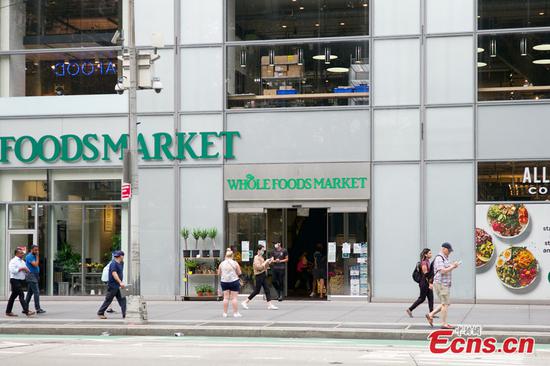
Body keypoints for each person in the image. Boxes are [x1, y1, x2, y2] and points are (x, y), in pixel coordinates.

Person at [426, 242, 460, 329]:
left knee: (445, 303)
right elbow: (442, 271)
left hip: (444, 284)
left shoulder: (445, 258)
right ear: (444, 249)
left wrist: (453, 265)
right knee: (445, 304)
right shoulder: (439, 258)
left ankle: (430, 314)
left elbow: (446, 268)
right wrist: (453, 267)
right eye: (449, 251)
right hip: (441, 284)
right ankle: (444, 323)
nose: (450, 252)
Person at [241, 244, 278, 310]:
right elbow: (259, 267)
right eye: (262, 250)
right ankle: (245, 302)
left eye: (264, 250)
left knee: (267, 289)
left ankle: (269, 305)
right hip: (259, 275)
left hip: (263, 274)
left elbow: (264, 267)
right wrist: (265, 262)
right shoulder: (256, 258)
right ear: (259, 250)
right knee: (257, 291)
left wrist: (269, 262)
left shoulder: (261, 257)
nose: (263, 251)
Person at [97, 250, 126, 319]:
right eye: (122, 255)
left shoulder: (121, 263)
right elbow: (114, 273)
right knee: (108, 300)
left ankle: (125, 314)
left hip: (118, 286)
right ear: (121, 256)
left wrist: (120, 283)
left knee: (123, 299)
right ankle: (100, 312)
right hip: (113, 285)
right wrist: (120, 282)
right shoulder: (113, 263)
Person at [5, 249, 34, 317]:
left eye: (23, 253)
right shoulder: (13, 261)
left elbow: (26, 269)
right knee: (21, 295)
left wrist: (27, 271)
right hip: (14, 280)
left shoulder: (22, 261)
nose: (23, 254)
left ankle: (8, 311)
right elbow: (12, 271)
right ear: (17, 254)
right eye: (21, 253)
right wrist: (22, 269)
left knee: (13, 297)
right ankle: (26, 311)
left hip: (20, 281)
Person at [406, 248, 434, 317]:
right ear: (425, 254)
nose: (431, 254)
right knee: (422, 298)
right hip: (424, 283)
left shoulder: (427, 261)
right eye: (430, 253)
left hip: (426, 282)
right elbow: (426, 274)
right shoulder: (424, 262)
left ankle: (431, 313)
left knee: (431, 297)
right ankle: (410, 309)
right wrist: (430, 283)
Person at [218, 248, 242, 318]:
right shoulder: (235, 263)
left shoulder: (222, 263)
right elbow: (239, 272)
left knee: (225, 298)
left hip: (224, 282)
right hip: (234, 281)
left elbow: (219, 273)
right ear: (232, 255)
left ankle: (225, 313)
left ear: (226, 255)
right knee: (234, 298)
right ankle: (235, 313)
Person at [25, 245, 45, 314]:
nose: (36, 251)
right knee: (36, 292)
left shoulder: (33, 256)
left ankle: (25, 308)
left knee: (30, 293)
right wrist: (37, 256)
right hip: (31, 275)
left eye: (37, 250)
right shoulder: (29, 256)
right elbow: (36, 264)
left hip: (35, 275)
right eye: (35, 250)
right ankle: (38, 308)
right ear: (31, 250)